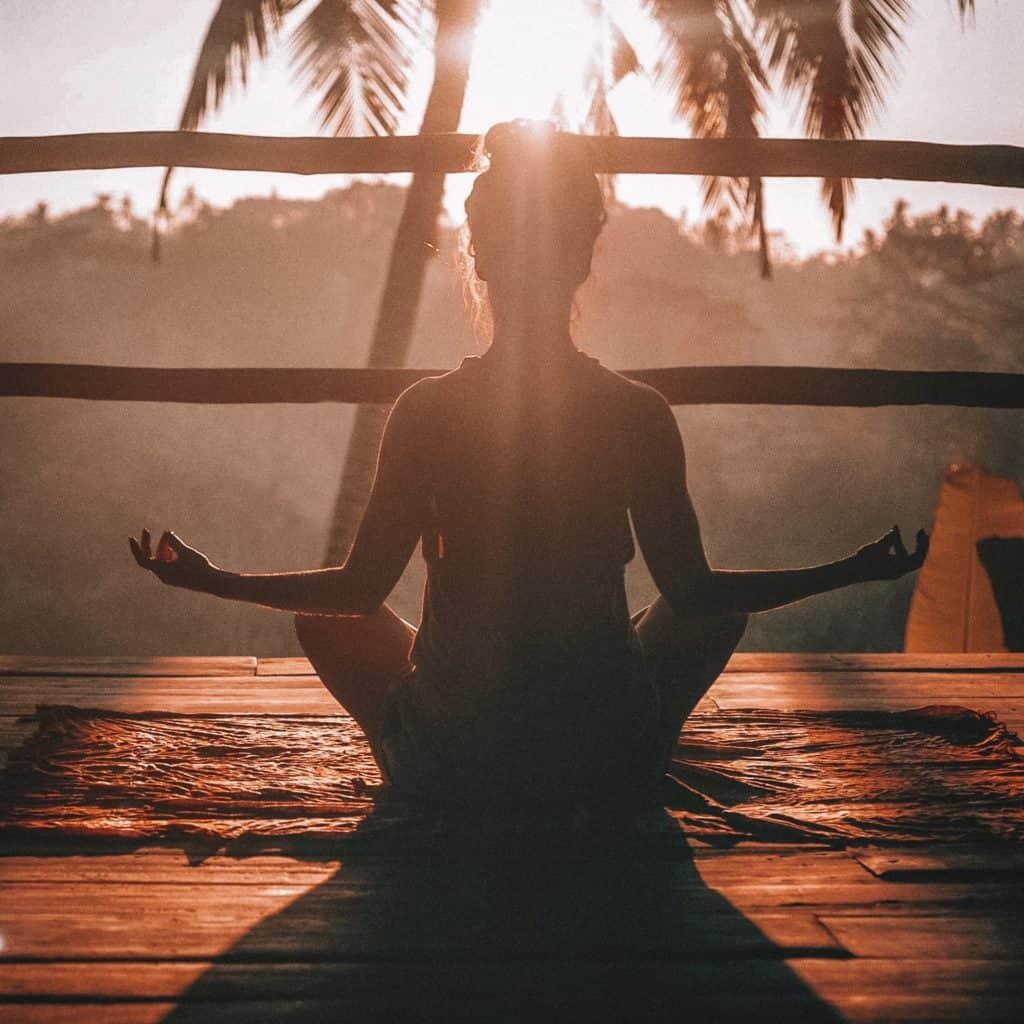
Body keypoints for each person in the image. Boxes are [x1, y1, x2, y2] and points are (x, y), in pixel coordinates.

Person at [131, 121, 928, 812]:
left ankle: (432, 750)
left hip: (455, 766)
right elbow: (695, 594)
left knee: (327, 621)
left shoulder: (428, 411)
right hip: (604, 760)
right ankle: (635, 750)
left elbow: (355, 592)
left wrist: (212, 579)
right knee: (715, 609)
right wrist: (850, 570)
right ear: (582, 260)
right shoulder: (635, 412)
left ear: (478, 259)